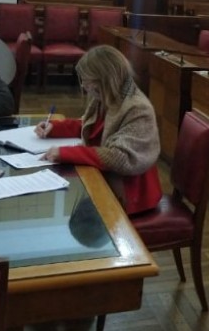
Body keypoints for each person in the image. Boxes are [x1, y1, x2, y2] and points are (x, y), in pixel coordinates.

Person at [34, 45, 162, 216]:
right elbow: (91, 126)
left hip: (132, 194)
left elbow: (119, 157)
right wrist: (55, 128)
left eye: (87, 80)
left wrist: (65, 153)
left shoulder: (137, 108)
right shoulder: (107, 96)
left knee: (75, 208)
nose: (83, 85)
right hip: (107, 178)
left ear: (104, 78)